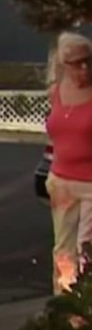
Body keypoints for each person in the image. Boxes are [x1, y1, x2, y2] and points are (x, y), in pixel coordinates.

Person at [45, 32, 92, 294]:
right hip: (61, 182)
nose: (84, 67)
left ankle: (86, 307)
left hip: (90, 183)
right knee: (63, 250)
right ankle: (64, 306)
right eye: (76, 63)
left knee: (86, 247)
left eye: (87, 61)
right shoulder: (57, 92)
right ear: (65, 65)